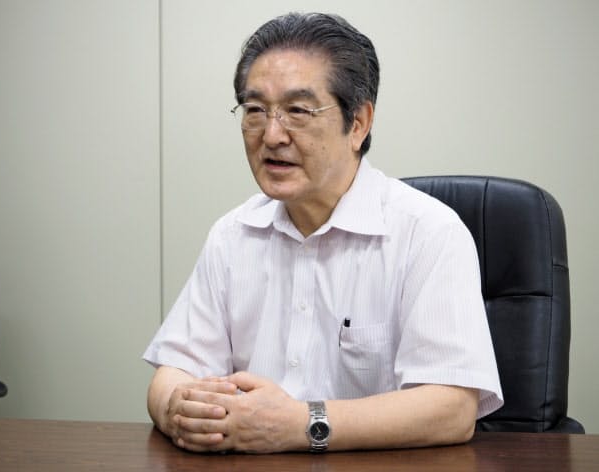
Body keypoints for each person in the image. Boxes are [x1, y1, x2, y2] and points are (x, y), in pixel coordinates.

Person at [143, 12, 503, 454]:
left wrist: (302, 424)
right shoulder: (232, 236)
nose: (272, 135)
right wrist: (177, 408)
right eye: (255, 110)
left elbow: (452, 409)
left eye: (297, 111)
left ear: (358, 124)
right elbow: (173, 371)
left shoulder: (428, 234)